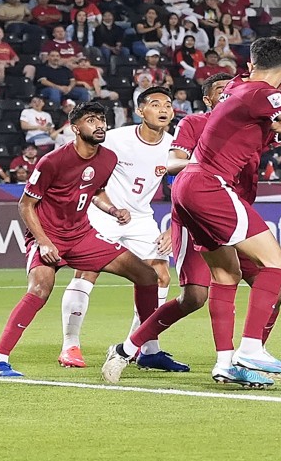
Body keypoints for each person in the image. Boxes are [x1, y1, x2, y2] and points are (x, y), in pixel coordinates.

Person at [137, 38, 281, 388]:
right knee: (275, 265)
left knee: (227, 277)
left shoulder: (240, 88)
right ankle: (250, 349)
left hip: (200, 189)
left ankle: (221, 362)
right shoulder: (259, 96)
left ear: (250, 65)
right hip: (212, 189)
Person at [0, 102, 190, 378]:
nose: (100, 125)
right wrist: (44, 241)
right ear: (75, 128)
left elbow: (96, 191)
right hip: (49, 236)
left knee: (147, 275)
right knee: (40, 289)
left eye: (102, 119)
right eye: (91, 120)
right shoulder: (53, 161)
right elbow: (25, 205)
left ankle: (142, 347)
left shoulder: (107, 158)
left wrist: (113, 209)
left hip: (82, 235)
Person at [58, 87, 187, 372]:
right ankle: (70, 345)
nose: (164, 109)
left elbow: (184, 186)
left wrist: (174, 225)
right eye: (155, 104)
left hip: (140, 217)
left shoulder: (174, 145)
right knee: (87, 272)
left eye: (167, 103)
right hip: (103, 213)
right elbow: (82, 164)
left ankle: (144, 348)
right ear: (141, 111)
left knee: (161, 276)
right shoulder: (116, 139)